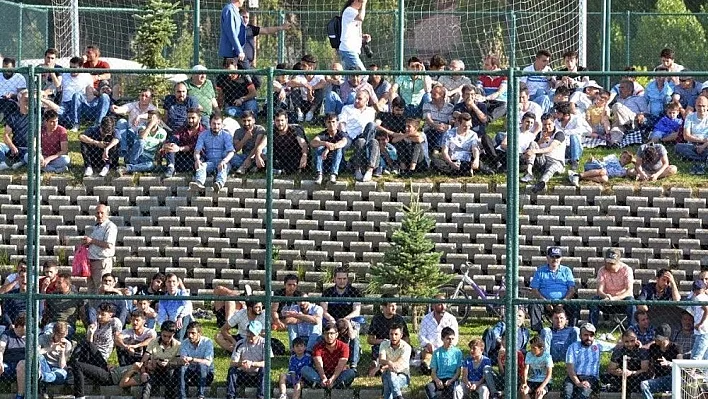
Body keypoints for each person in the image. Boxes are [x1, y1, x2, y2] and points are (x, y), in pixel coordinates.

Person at [528, 246, 578, 332]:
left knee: (575, 305)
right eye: (552, 256)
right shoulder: (540, 271)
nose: (555, 259)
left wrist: (563, 302)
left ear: (561, 258)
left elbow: (572, 289)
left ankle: (571, 331)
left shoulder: (566, 270)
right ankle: (539, 332)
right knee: (534, 305)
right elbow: (534, 289)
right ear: (547, 257)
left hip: (563, 302)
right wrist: (545, 301)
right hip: (544, 302)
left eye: (557, 257)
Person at [320, 268, 363, 368]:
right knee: (321, 336)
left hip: (349, 320)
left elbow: (357, 311)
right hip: (332, 320)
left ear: (347, 279)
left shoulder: (355, 292)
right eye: (339, 278)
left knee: (354, 338)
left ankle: (353, 364)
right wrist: (332, 319)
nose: (342, 281)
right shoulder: (327, 292)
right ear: (334, 279)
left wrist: (345, 320)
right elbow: (324, 310)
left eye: (344, 278)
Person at [300, 322, 357, 389]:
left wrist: (332, 379)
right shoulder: (317, 347)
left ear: (336, 335)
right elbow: (319, 365)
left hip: (337, 374)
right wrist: (324, 378)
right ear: (323, 335)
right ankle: (325, 384)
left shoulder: (344, 347)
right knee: (304, 369)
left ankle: (330, 384)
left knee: (351, 373)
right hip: (321, 375)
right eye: (326, 333)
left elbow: (340, 366)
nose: (329, 336)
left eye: (331, 333)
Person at [589, 248, 635, 327]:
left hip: (622, 301)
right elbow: (599, 290)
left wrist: (615, 298)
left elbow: (629, 290)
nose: (609, 265)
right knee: (594, 301)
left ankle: (632, 329)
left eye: (612, 263)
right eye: (608, 262)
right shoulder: (602, 270)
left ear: (618, 262)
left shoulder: (627, 270)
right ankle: (591, 329)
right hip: (607, 300)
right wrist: (606, 296)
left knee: (631, 302)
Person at [189, 113, 234, 193]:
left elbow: (231, 152)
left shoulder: (226, 135)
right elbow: (197, 150)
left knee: (223, 168)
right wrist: (197, 160)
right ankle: (199, 183)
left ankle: (219, 184)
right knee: (201, 165)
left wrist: (224, 161)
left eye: (218, 124)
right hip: (210, 162)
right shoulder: (203, 135)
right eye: (214, 124)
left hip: (223, 161)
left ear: (222, 125)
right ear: (210, 123)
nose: (216, 126)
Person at [253, 109, 308, 174]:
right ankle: (279, 170)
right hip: (279, 157)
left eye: (282, 120)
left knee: (298, 161)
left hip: (293, 156)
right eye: (277, 120)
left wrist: (304, 155)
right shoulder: (272, 130)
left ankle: (277, 170)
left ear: (286, 120)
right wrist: (258, 157)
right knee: (263, 157)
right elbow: (260, 146)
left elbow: (304, 145)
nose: (280, 123)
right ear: (274, 121)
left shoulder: (295, 130)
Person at [226, 320, 272, 399]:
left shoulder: (265, 343)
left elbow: (267, 363)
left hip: (258, 376)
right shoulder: (240, 343)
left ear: (258, 334)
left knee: (264, 370)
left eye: (252, 334)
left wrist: (252, 363)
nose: (249, 335)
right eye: (248, 332)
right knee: (232, 370)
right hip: (244, 374)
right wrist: (241, 363)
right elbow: (232, 363)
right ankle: (231, 396)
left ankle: (261, 397)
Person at [368, 295, 410, 376]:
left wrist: (398, 342)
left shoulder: (399, 319)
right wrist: (382, 341)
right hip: (382, 345)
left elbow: (407, 338)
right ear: (383, 307)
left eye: (395, 305)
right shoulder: (377, 319)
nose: (394, 308)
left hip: (397, 346)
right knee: (377, 350)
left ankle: (383, 367)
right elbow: (370, 339)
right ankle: (378, 365)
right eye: (391, 306)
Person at [524, 113, 567, 194]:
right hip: (543, 161)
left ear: (554, 123)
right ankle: (529, 172)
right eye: (545, 124)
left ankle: (542, 182)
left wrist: (535, 151)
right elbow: (532, 146)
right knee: (533, 143)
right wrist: (541, 141)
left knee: (552, 168)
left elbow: (550, 148)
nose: (547, 127)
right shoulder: (540, 134)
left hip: (556, 161)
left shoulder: (559, 134)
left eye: (549, 124)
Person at [138, 320, 181, 399]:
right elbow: (145, 358)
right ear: (161, 333)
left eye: (169, 336)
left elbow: (179, 361)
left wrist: (169, 363)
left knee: (171, 375)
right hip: (155, 370)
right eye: (164, 336)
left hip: (170, 373)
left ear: (173, 335)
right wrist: (143, 372)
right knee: (147, 386)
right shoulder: (153, 342)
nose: (166, 339)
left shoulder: (178, 345)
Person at [118, 109, 167, 175]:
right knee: (141, 142)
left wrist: (159, 162)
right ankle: (133, 165)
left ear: (158, 121)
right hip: (135, 156)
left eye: (152, 118)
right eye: (149, 118)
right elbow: (142, 137)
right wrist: (151, 125)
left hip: (147, 159)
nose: (150, 120)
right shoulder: (142, 127)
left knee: (151, 165)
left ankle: (129, 168)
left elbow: (160, 149)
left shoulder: (162, 133)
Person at [419, 293, 459, 375]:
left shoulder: (451, 319)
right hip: (430, 350)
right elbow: (421, 336)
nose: (443, 306)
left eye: (444, 303)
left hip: (446, 348)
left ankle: (435, 367)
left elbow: (455, 338)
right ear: (433, 306)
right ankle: (428, 366)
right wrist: (427, 344)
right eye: (440, 304)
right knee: (426, 356)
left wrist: (446, 346)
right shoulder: (426, 319)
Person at [82, 203, 117, 294]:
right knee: (91, 289)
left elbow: (109, 244)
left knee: (102, 289)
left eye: (102, 213)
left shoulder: (110, 227)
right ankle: (93, 308)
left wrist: (92, 241)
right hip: (91, 262)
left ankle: (103, 308)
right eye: (97, 213)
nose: (99, 215)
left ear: (107, 214)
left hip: (101, 262)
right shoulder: (97, 226)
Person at [640, 324, 681, 399]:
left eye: (658, 337)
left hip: (672, 379)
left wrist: (668, 363)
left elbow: (681, 365)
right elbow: (651, 364)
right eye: (655, 336)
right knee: (644, 384)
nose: (656, 339)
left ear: (666, 338)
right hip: (659, 380)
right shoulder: (653, 347)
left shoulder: (675, 348)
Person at [160, 107, 205, 177]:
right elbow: (176, 136)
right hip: (181, 158)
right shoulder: (183, 128)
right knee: (172, 145)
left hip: (196, 158)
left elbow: (196, 145)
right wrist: (168, 144)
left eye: (193, 118)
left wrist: (180, 148)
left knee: (200, 161)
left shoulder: (204, 131)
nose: (190, 120)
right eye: (188, 118)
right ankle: (171, 167)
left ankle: (172, 167)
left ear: (199, 118)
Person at [563, 323, 601, 399]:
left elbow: (617, 345)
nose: (589, 338)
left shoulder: (599, 345)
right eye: (586, 335)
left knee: (582, 395)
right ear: (580, 336)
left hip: (591, 378)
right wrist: (578, 383)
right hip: (574, 376)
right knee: (567, 394)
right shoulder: (573, 347)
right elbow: (570, 368)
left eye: (591, 335)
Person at [436, 112, 480, 176]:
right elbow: (444, 151)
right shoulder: (449, 133)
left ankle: (454, 171)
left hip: (466, 160)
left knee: (473, 163)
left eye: (469, 126)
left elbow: (475, 149)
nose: (467, 128)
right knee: (436, 161)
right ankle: (464, 171)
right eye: (464, 126)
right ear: (459, 123)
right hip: (452, 159)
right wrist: (451, 163)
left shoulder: (473, 135)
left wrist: (476, 160)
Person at [179, 321, 215, 399]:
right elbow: (183, 358)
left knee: (201, 365)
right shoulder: (184, 343)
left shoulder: (207, 342)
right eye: (188, 333)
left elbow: (208, 362)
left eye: (193, 333)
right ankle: (182, 396)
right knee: (182, 368)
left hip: (206, 375)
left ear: (199, 333)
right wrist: (184, 360)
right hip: (190, 374)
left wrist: (192, 359)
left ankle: (201, 395)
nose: (190, 336)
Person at [425, 326, 463, 399]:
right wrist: (437, 380)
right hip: (439, 379)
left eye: (452, 339)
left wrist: (451, 380)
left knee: (449, 392)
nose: (451, 341)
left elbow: (458, 372)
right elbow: (433, 372)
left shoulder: (458, 352)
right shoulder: (437, 353)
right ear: (442, 339)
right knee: (429, 387)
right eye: (448, 339)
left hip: (452, 379)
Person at [36, 321, 72, 396]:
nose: (61, 339)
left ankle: (42, 378)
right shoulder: (43, 338)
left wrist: (62, 352)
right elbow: (35, 354)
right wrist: (51, 348)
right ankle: (43, 379)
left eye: (63, 336)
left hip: (56, 368)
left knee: (63, 374)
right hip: (45, 365)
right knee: (39, 356)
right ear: (53, 332)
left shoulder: (68, 344)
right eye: (58, 336)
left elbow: (63, 367)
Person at [41, 272, 81, 337]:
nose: (56, 285)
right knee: (47, 334)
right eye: (56, 282)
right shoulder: (53, 296)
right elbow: (42, 303)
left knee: (60, 334)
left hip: (67, 325)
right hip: (53, 324)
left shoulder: (76, 297)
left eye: (59, 283)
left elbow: (82, 312)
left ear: (67, 284)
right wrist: (44, 288)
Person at [311, 113, 348, 184]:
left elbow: (343, 142)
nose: (331, 124)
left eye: (333, 122)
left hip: (339, 164)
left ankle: (333, 174)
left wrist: (327, 149)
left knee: (338, 149)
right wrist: (325, 143)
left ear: (337, 123)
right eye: (329, 122)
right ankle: (319, 174)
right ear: (325, 123)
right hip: (324, 164)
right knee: (319, 147)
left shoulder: (341, 134)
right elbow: (313, 142)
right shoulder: (323, 134)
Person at [676, 95, 708, 174]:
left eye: (703, 106)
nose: (701, 108)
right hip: (693, 145)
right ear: (695, 106)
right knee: (678, 147)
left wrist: (703, 146)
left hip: (706, 145)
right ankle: (704, 158)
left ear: (707, 106)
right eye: (699, 106)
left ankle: (696, 158)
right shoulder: (690, 117)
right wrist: (701, 140)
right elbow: (686, 136)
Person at [379, 322, 412, 399]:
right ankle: (398, 396)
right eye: (391, 334)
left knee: (388, 383)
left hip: (403, 375)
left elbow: (399, 364)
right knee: (390, 376)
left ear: (401, 335)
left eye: (396, 334)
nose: (393, 337)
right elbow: (381, 359)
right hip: (387, 373)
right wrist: (389, 363)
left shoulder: (406, 347)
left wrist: (386, 367)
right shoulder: (384, 344)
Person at [554, 101, 589, 170]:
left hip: (575, 147)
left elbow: (583, 130)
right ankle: (567, 160)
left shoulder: (576, 119)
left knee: (573, 136)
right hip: (563, 148)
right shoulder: (556, 122)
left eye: (559, 113)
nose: (556, 115)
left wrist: (566, 132)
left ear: (566, 115)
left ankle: (575, 161)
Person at [157, 273, 193, 340]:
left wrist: (180, 316)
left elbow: (188, 306)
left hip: (183, 320)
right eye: (169, 281)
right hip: (171, 323)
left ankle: (178, 340)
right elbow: (162, 315)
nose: (171, 284)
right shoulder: (163, 299)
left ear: (177, 283)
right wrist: (169, 324)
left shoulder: (182, 293)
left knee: (185, 317)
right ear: (166, 283)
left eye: (174, 281)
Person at [338, 0, 371, 71]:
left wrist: (362, 37)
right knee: (363, 74)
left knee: (349, 78)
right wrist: (364, 3)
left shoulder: (354, 12)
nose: (361, 4)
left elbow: (351, 30)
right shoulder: (349, 10)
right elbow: (361, 18)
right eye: (361, 2)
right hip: (348, 50)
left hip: (352, 49)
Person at [1, 89, 29, 170]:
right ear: (19, 101)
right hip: (15, 147)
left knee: (31, 154)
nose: (28, 102)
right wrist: (12, 146)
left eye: (30, 100)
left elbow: (56, 110)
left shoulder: (36, 115)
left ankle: (21, 163)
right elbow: (6, 135)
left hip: (29, 148)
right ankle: (4, 163)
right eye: (26, 100)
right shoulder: (13, 117)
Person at [0, 314, 25, 398]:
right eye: (27, 326)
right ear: (20, 326)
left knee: (22, 364)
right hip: (8, 364)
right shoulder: (7, 334)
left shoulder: (30, 336)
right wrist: (0, 361)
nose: (30, 328)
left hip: (23, 365)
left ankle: (20, 395)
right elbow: (1, 348)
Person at [423, 84, 455, 150]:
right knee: (437, 131)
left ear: (442, 96)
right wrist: (435, 125)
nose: (432, 96)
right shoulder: (427, 105)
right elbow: (428, 119)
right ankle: (437, 150)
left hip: (444, 129)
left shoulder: (450, 107)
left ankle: (437, 150)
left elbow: (451, 121)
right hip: (430, 129)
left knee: (443, 131)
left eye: (434, 95)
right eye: (432, 94)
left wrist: (446, 126)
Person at [478, 55, 508, 119]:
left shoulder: (504, 77)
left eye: (487, 65)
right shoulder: (482, 76)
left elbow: (498, 92)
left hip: (500, 102)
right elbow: (478, 89)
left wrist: (485, 98)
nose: (484, 67)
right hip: (486, 101)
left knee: (505, 106)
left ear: (494, 67)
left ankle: (489, 119)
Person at [691, 280, 708, 360]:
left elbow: (706, 310)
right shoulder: (705, 297)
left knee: (696, 356)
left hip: (702, 332)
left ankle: (690, 373)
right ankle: (704, 373)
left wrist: (700, 323)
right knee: (705, 357)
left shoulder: (698, 298)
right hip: (704, 331)